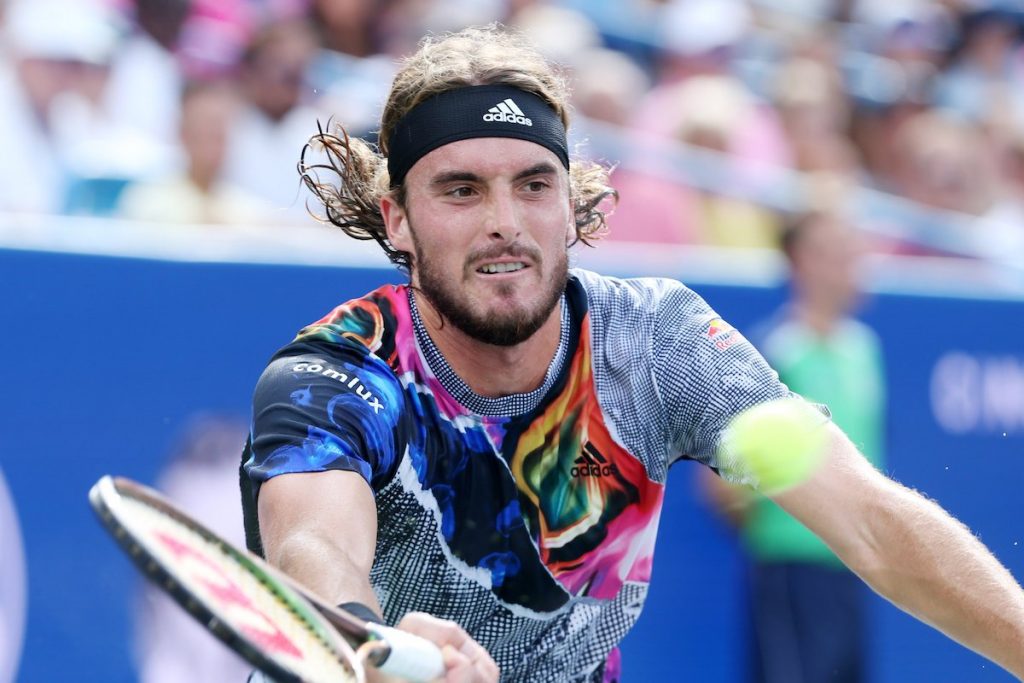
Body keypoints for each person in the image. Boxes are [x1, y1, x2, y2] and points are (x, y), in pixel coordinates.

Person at [239, 24, 1024, 683]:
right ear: (398, 217)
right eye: (461, 190)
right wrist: (364, 641)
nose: (505, 221)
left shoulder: (659, 341)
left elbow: (876, 524)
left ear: (570, 204)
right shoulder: (337, 375)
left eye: (534, 184)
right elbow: (314, 544)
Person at [701, 209, 885, 683]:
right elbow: (717, 483)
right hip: (791, 573)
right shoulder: (773, 351)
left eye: (853, 249)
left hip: (856, 566)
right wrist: (776, 534)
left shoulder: (863, 349)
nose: (851, 263)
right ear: (801, 261)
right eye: (835, 251)